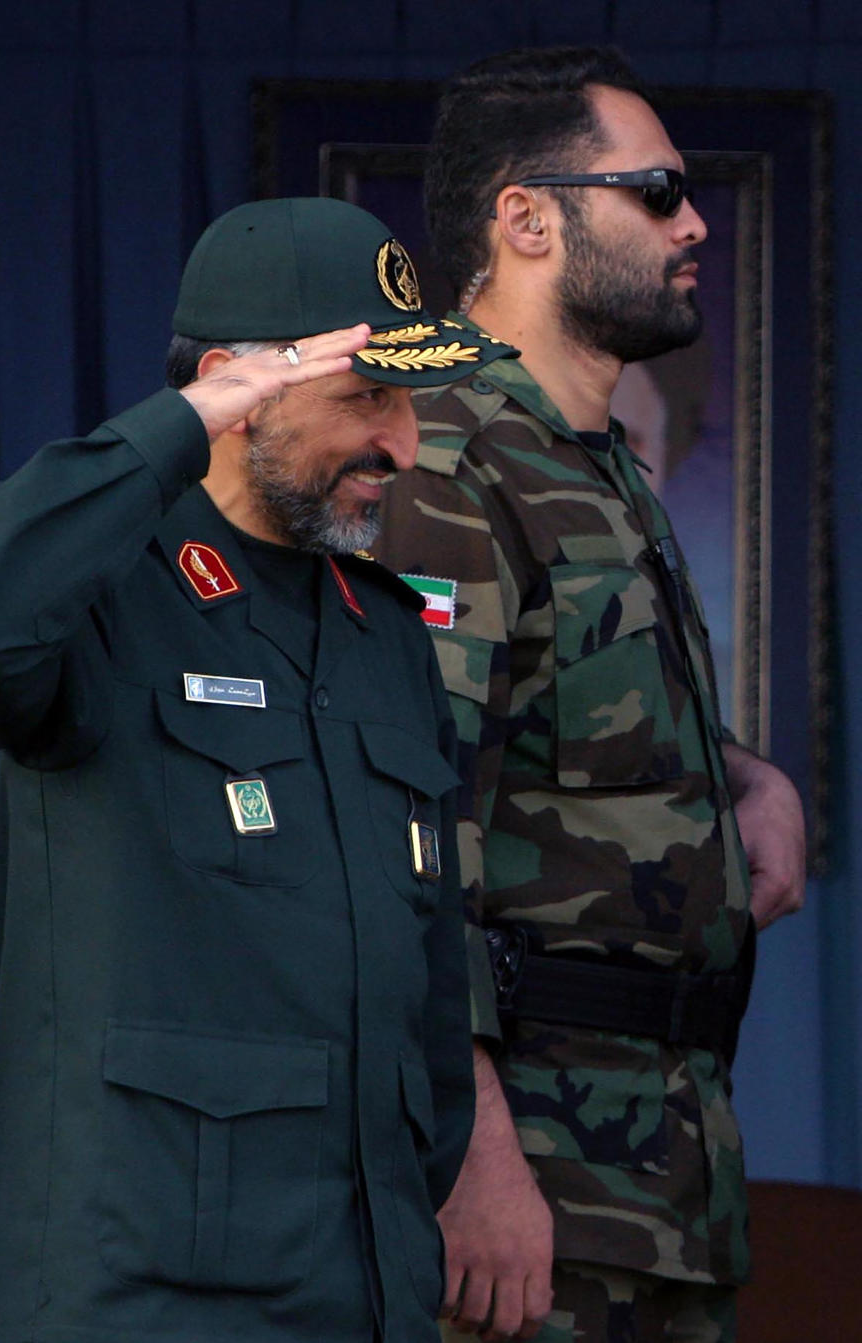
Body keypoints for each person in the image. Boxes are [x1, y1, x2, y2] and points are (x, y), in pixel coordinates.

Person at [0, 196, 519, 1343]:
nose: (401, 443)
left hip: (367, 1285)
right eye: (364, 396)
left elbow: (427, 970)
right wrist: (184, 422)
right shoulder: (102, 592)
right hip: (148, 1295)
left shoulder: (386, 627)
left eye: (405, 400)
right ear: (236, 389)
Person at [373, 47, 806, 1343]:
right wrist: (473, 1157)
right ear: (527, 218)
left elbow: (576, 726)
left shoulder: (599, 461)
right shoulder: (447, 455)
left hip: (659, 1181)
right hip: (531, 1202)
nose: (696, 224)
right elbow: (406, 835)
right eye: (660, 191)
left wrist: (751, 776)